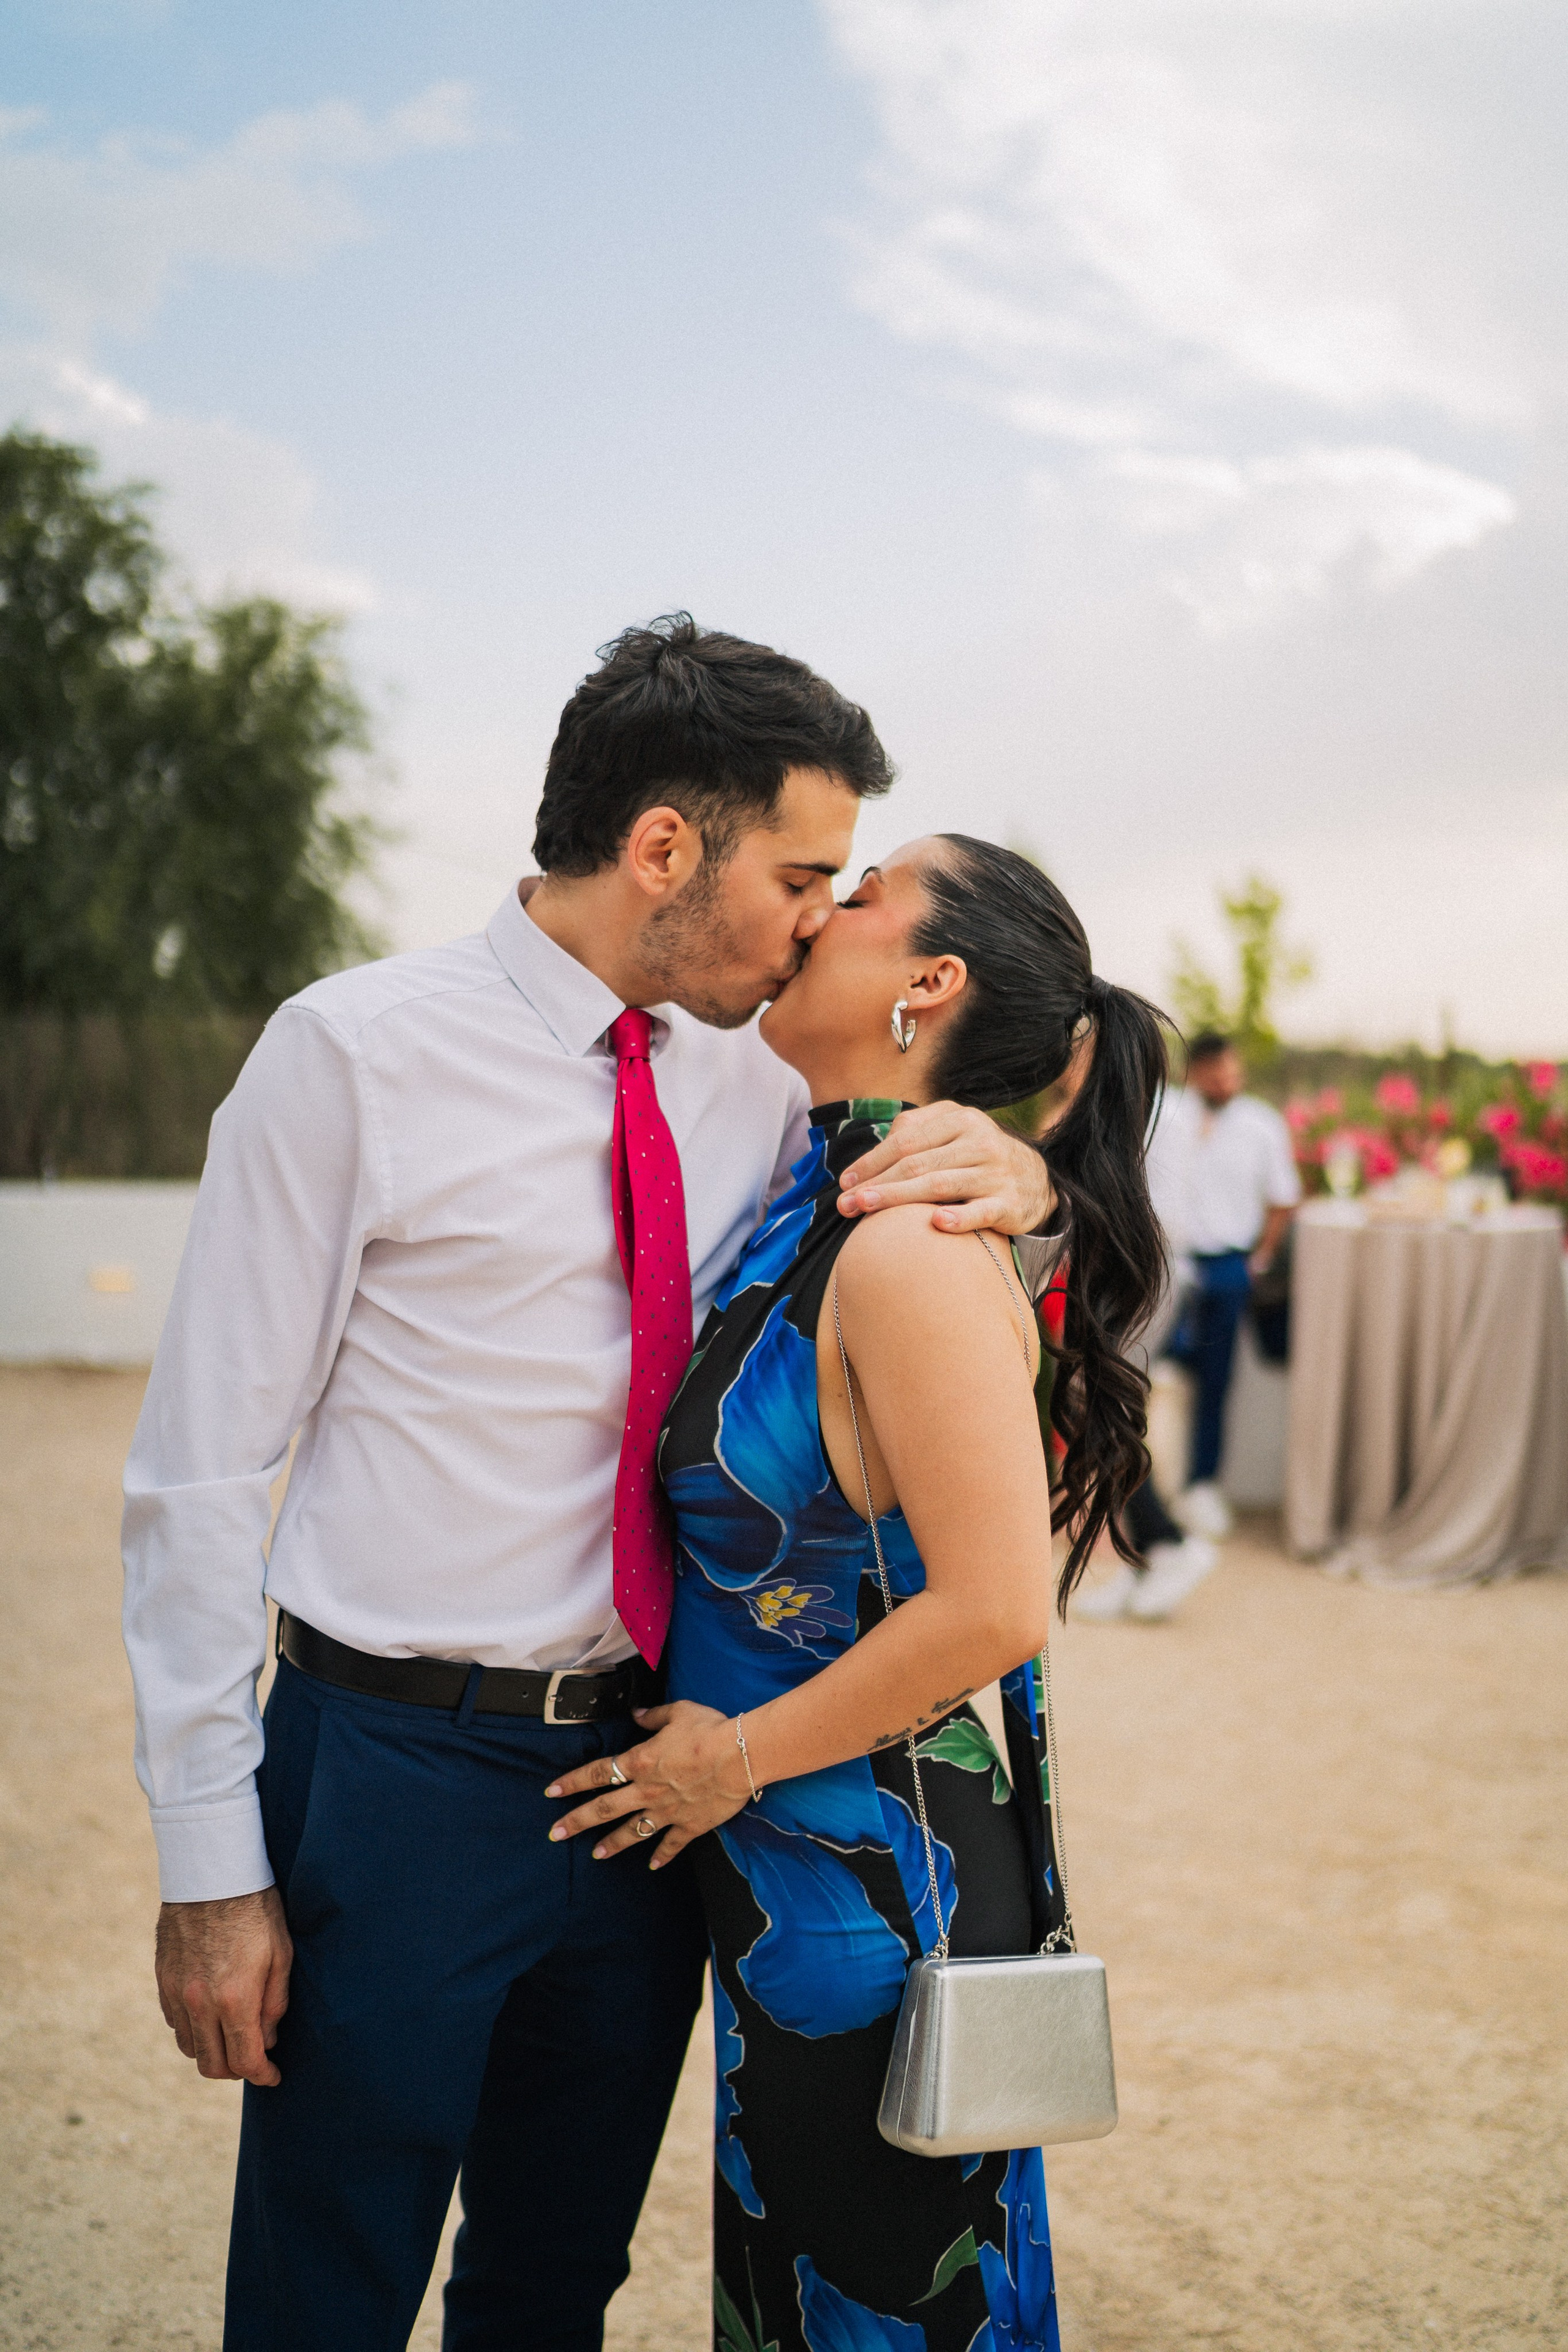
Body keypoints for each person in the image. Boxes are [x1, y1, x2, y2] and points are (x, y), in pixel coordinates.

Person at [120, 620, 1058, 2350]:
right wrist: (210, 1868)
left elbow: (937, 1181)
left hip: (644, 1787)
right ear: (663, 848)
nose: (813, 923)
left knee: (554, 2282)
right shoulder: (350, 1056)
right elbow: (197, 1477)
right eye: (800, 877)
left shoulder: (757, 1078)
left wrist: (1015, 1162)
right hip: (392, 1767)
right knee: (327, 2282)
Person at [546, 837, 1167, 2352]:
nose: (823, 908)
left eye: (867, 889)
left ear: (926, 983)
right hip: (788, 1873)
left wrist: (731, 1759)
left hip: (876, 1888)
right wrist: (1032, 1169)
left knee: (874, 2310)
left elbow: (997, 1608)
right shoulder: (817, 1198)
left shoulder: (901, 1252)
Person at [1144, 1030, 1301, 1539]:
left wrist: (1260, 1258)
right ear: (1196, 1072)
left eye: (1233, 1073)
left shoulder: (1261, 1124)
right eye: (1216, 1074)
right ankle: (1142, 1491)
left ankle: (1201, 1486)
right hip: (1166, 1262)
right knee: (1143, 1374)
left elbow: (1283, 1198)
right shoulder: (1164, 1114)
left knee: (1216, 1381)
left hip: (1229, 1266)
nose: (1226, 1083)